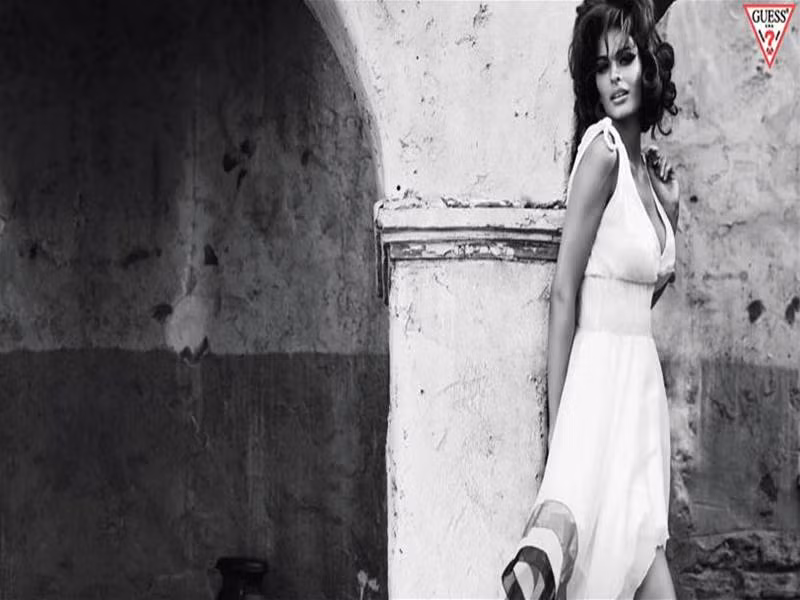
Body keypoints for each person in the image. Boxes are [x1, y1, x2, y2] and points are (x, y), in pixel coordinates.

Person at [500, 0, 680, 598]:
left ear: (647, 65)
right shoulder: (602, 152)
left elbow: (633, 300)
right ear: (592, 80)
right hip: (599, 391)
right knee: (595, 573)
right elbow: (565, 291)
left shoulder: (643, 171)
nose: (616, 77)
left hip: (639, 395)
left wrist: (671, 213)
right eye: (603, 67)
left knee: (635, 564)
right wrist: (561, 429)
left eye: (625, 59)